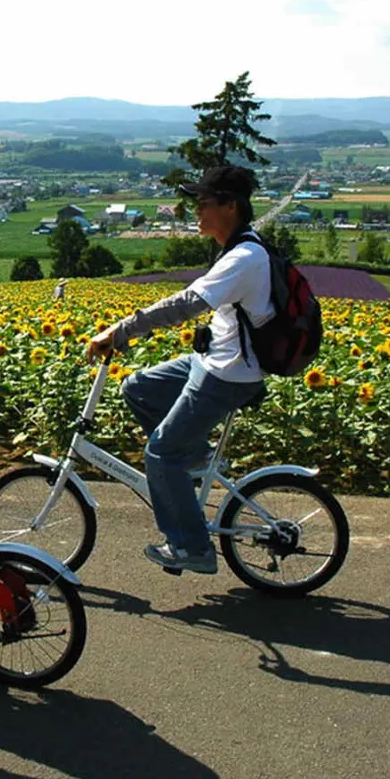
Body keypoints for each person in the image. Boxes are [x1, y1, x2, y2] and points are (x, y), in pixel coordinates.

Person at [86, 164, 272, 574]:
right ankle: (195, 457)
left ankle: (192, 547)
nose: (197, 210)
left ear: (230, 206)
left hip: (229, 374)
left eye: (204, 202)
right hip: (214, 361)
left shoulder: (244, 256)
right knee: (137, 388)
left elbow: (185, 304)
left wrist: (120, 331)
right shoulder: (239, 248)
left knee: (160, 454)